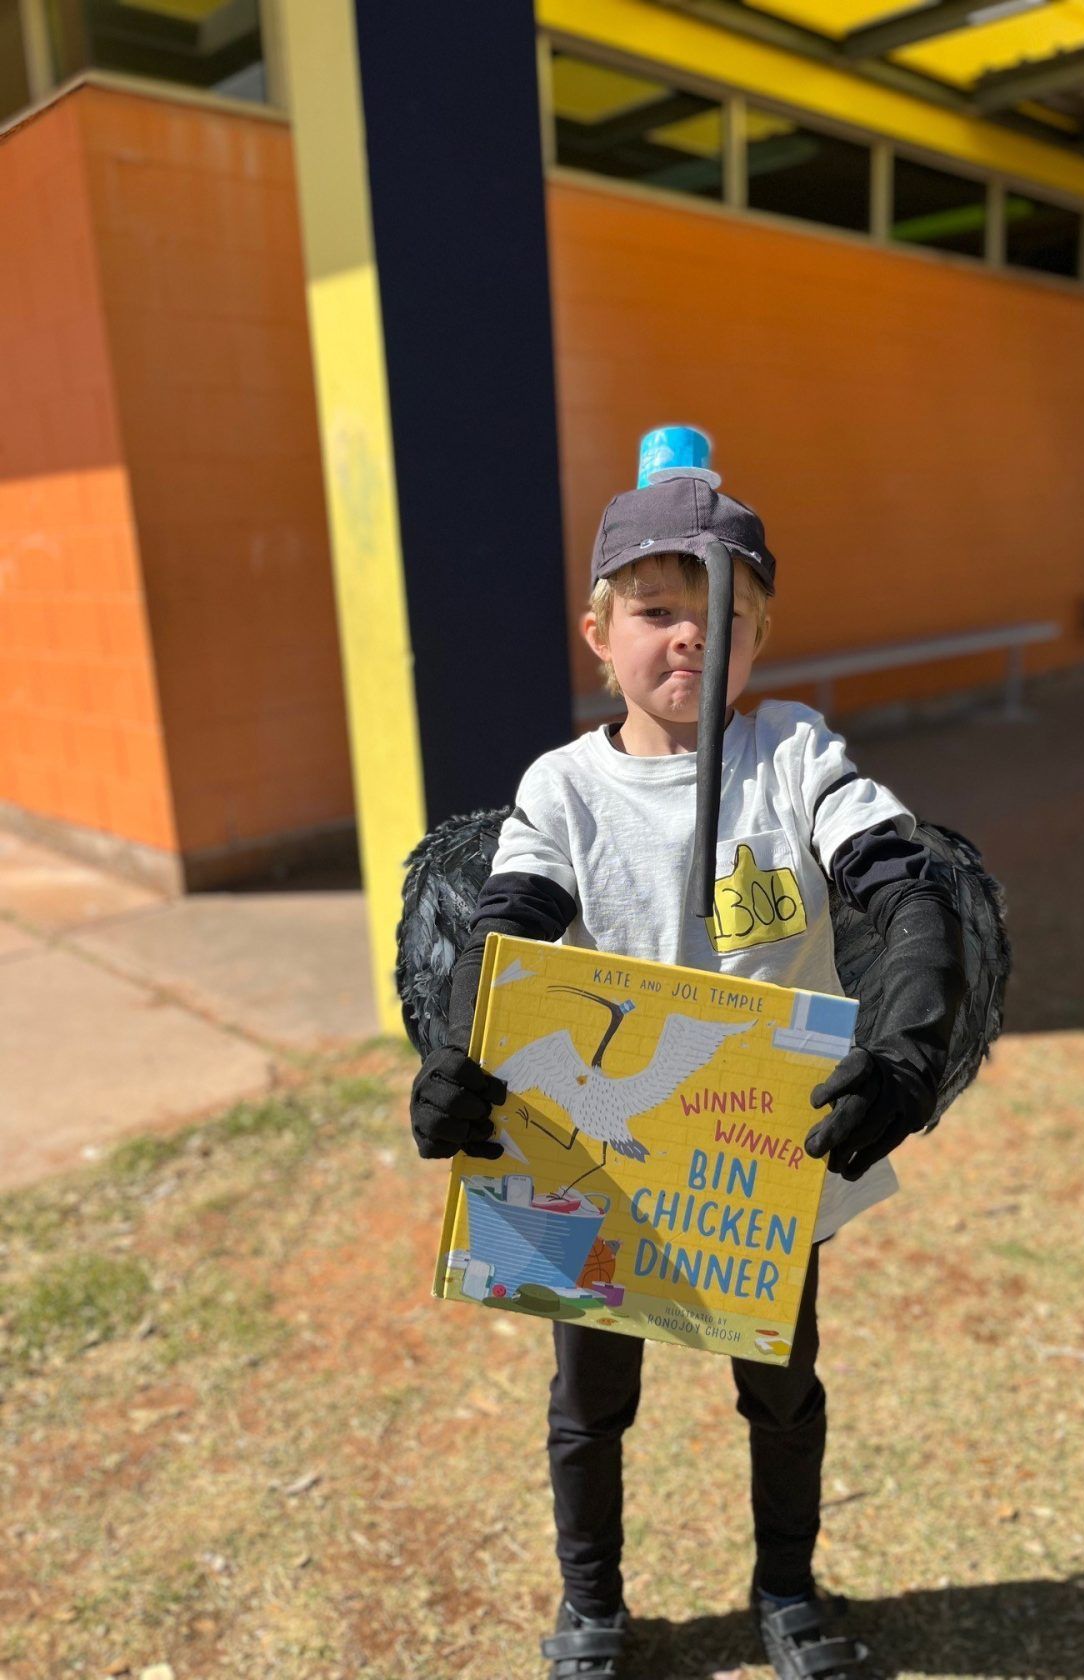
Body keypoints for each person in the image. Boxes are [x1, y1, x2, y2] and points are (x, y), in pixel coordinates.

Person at [408, 472, 966, 1680]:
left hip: (758, 1158)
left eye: (725, 609)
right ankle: (592, 1609)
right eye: (656, 607)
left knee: (781, 1394)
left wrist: (905, 1045)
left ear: (762, 633)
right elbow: (506, 936)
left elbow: (903, 888)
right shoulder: (562, 787)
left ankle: (788, 1597)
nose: (691, 632)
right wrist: (456, 1053)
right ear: (599, 634)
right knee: (589, 1403)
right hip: (589, 1161)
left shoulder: (795, 754)